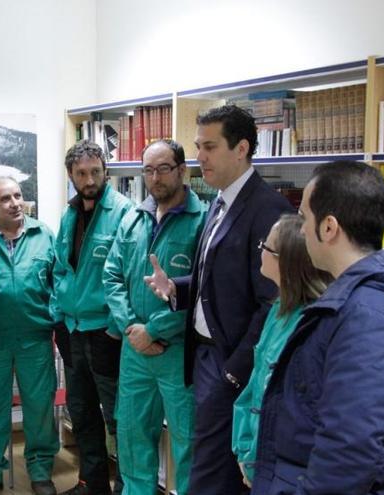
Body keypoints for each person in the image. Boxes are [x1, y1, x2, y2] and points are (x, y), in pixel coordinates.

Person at [251, 161, 384, 494]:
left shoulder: (368, 319)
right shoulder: (363, 303)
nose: (302, 229)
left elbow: (350, 451)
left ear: (329, 227)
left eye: (306, 217)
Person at [144, 105, 292, 494]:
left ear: (241, 148)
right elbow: (216, 278)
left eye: (209, 146)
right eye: (197, 146)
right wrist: (177, 288)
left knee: (211, 475)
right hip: (206, 358)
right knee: (213, 468)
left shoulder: (268, 209)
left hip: (231, 365)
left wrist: (235, 370)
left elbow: (273, 303)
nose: (199, 157)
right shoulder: (218, 202)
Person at [103, 139, 205, 495]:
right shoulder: (132, 218)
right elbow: (111, 275)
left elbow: (202, 291)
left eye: (163, 168)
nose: (155, 178)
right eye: (148, 170)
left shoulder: (202, 222)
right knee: (132, 436)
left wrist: (156, 330)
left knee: (188, 440)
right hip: (134, 351)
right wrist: (132, 327)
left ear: (182, 171)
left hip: (177, 352)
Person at [53, 140, 133, 495]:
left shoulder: (124, 213)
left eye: (95, 172)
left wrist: (118, 327)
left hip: (106, 332)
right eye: (81, 173)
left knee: (117, 418)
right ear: (71, 175)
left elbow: (131, 276)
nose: (89, 180)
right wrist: (58, 315)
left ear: (106, 172)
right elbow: (59, 269)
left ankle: (126, 485)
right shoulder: (69, 214)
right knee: (82, 413)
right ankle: (92, 482)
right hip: (71, 331)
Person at [229, 214, 332, 487]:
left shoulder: (309, 324)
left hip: (284, 467)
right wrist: (245, 450)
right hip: (258, 460)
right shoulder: (277, 309)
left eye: (267, 246)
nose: (260, 249)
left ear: (285, 262)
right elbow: (253, 387)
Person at [0, 177, 59, 495]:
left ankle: (39, 470)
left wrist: (52, 315)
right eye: (5, 198)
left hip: (34, 338)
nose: (14, 203)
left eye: (18, 195)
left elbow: (58, 280)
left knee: (39, 408)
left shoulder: (43, 234)